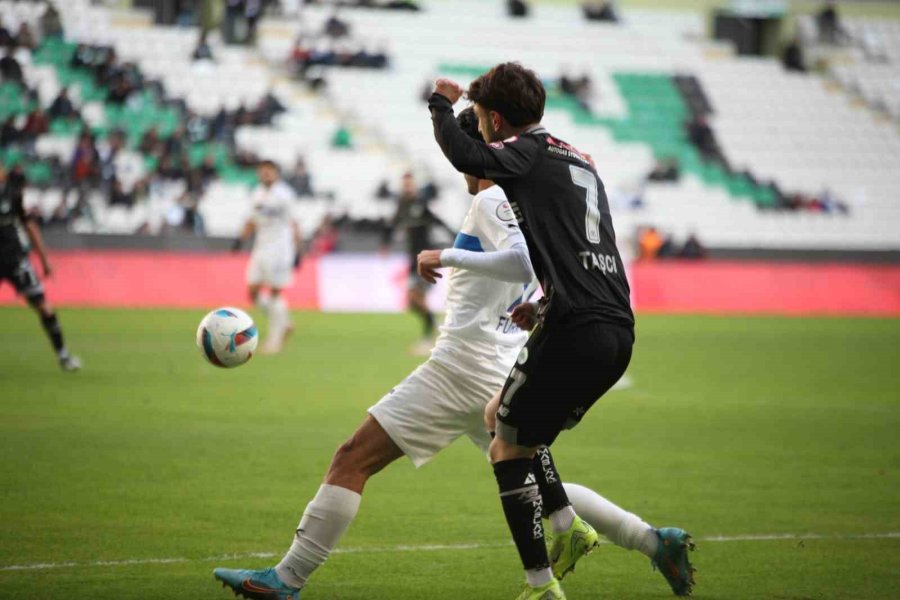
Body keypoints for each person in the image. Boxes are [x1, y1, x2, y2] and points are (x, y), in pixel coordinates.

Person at [213, 107, 687, 600]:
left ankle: (287, 580)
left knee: (352, 459)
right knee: (545, 491)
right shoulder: (519, 200)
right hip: (495, 362)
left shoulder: (492, 200)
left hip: (462, 366)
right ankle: (653, 542)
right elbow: (535, 263)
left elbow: (523, 259)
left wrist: (447, 255)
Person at [427, 64, 694, 599]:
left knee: (505, 449)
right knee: (510, 429)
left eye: (482, 120)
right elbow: (581, 248)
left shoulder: (525, 151)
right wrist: (547, 304)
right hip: (615, 329)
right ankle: (604, 533)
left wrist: (440, 104)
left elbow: (468, 157)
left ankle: (542, 585)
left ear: (497, 119)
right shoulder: (578, 160)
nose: (479, 130)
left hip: (576, 328)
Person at [0, 166, 81, 371]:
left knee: (44, 306)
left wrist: (44, 260)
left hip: (16, 260)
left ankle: (63, 356)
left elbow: (30, 226)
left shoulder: (12, 196)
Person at [232, 161, 302, 354]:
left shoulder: (285, 195)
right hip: (260, 247)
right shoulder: (256, 194)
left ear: (277, 174)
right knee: (253, 292)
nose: (266, 175)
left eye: (269, 172)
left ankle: (275, 339)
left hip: (280, 249)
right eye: (262, 172)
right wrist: (240, 240)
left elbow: (295, 223)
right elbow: (251, 220)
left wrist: (298, 251)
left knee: (274, 293)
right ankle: (284, 322)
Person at [381, 171, 454, 356]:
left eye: (409, 184)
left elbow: (438, 221)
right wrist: (385, 244)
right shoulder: (402, 205)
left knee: (416, 297)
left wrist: (455, 237)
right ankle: (434, 327)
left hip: (426, 258)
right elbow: (392, 225)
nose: (407, 187)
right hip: (413, 260)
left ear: (414, 186)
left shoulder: (421, 204)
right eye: (404, 184)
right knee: (412, 302)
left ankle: (429, 337)